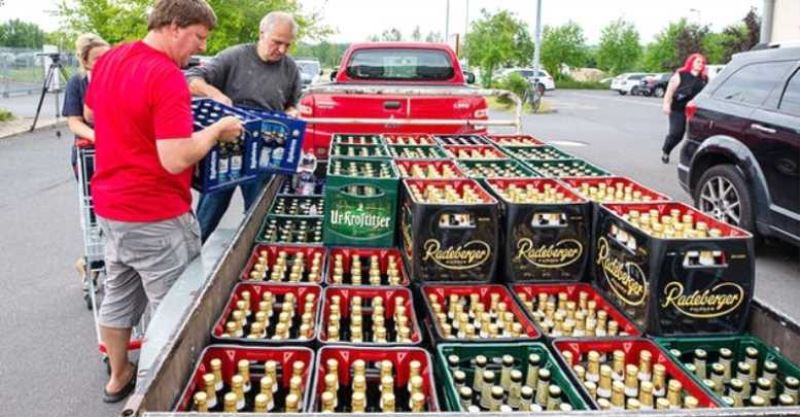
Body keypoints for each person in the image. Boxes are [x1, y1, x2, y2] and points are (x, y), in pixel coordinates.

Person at [84, 0, 242, 403]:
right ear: (174, 26)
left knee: (119, 294)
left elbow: (91, 112)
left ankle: (118, 376)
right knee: (176, 308)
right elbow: (176, 157)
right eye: (198, 36)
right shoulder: (166, 76)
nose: (202, 47)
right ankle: (164, 397)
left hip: (111, 205)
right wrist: (216, 131)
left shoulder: (112, 58)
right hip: (155, 212)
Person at [186, 11, 302, 243]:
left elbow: (292, 103)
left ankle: (253, 257)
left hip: (264, 149)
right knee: (208, 214)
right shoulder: (235, 56)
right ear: (262, 33)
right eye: (277, 42)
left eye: (287, 45)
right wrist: (215, 94)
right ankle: (190, 257)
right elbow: (191, 77)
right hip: (226, 147)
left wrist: (292, 113)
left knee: (259, 218)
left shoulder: (290, 68)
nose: (282, 50)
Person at [62, 33, 110, 280]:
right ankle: (93, 259)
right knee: (93, 211)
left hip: (117, 153)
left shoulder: (118, 79)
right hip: (90, 153)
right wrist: (97, 136)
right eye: (97, 58)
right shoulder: (78, 83)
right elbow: (74, 121)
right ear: (85, 61)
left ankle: (101, 260)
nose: (104, 62)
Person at [661, 53, 708, 163]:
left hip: (695, 111)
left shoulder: (704, 78)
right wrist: (666, 104)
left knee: (695, 137)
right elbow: (670, 91)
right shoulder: (680, 75)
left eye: (702, 63)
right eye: (698, 62)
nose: (700, 64)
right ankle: (666, 150)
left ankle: (690, 161)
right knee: (676, 134)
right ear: (691, 62)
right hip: (678, 109)